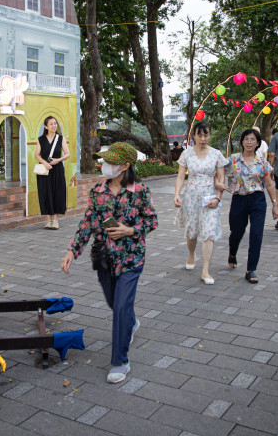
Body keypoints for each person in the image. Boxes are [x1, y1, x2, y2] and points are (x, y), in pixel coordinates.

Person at [61, 142, 158, 383]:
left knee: (121, 307)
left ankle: (120, 361)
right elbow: (87, 221)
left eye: (110, 162)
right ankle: (132, 322)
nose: (105, 166)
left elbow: (152, 221)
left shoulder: (140, 191)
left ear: (124, 166)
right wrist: (72, 250)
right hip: (105, 258)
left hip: (131, 258)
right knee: (115, 304)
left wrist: (129, 230)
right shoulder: (98, 190)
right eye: (104, 161)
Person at [173, 122, 228, 284]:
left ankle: (205, 270)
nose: (203, 139)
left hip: (210, 197)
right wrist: (177, 194)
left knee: (209, 233)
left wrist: (218, 198)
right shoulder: (187, 154)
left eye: (206, 135)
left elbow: (220, 178)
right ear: (194, 136)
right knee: (192, 232)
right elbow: (181, 176)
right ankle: (191, 254)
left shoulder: (216, 154)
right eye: (199, 135)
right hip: (191, 197)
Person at [224, 129, 278, 283]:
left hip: (257, 200)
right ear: (242, 141)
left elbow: (268, 184)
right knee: (236, 232)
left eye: (252, 139)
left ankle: (251, 269)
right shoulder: (232, 160)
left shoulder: (261, 161)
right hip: (239, 200)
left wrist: (275, 204)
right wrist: (218, 188)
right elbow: (219, 172)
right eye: (246, 139)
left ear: (258, 143)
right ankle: (232, 253)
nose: (249, 142)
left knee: (256, 234)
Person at [35, 116, 70, 229]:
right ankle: (48, 220)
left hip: (57, 170)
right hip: (45, 171)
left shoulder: (60, 138)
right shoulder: (41, 139)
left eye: (55, 123)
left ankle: (55, 220)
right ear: (46, 126)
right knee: (45, 193)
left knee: (57, 193)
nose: (54, 125)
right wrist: (45, 163)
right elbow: (36, 154)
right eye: (51, 124)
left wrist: (57, 160)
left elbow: (67, 154)